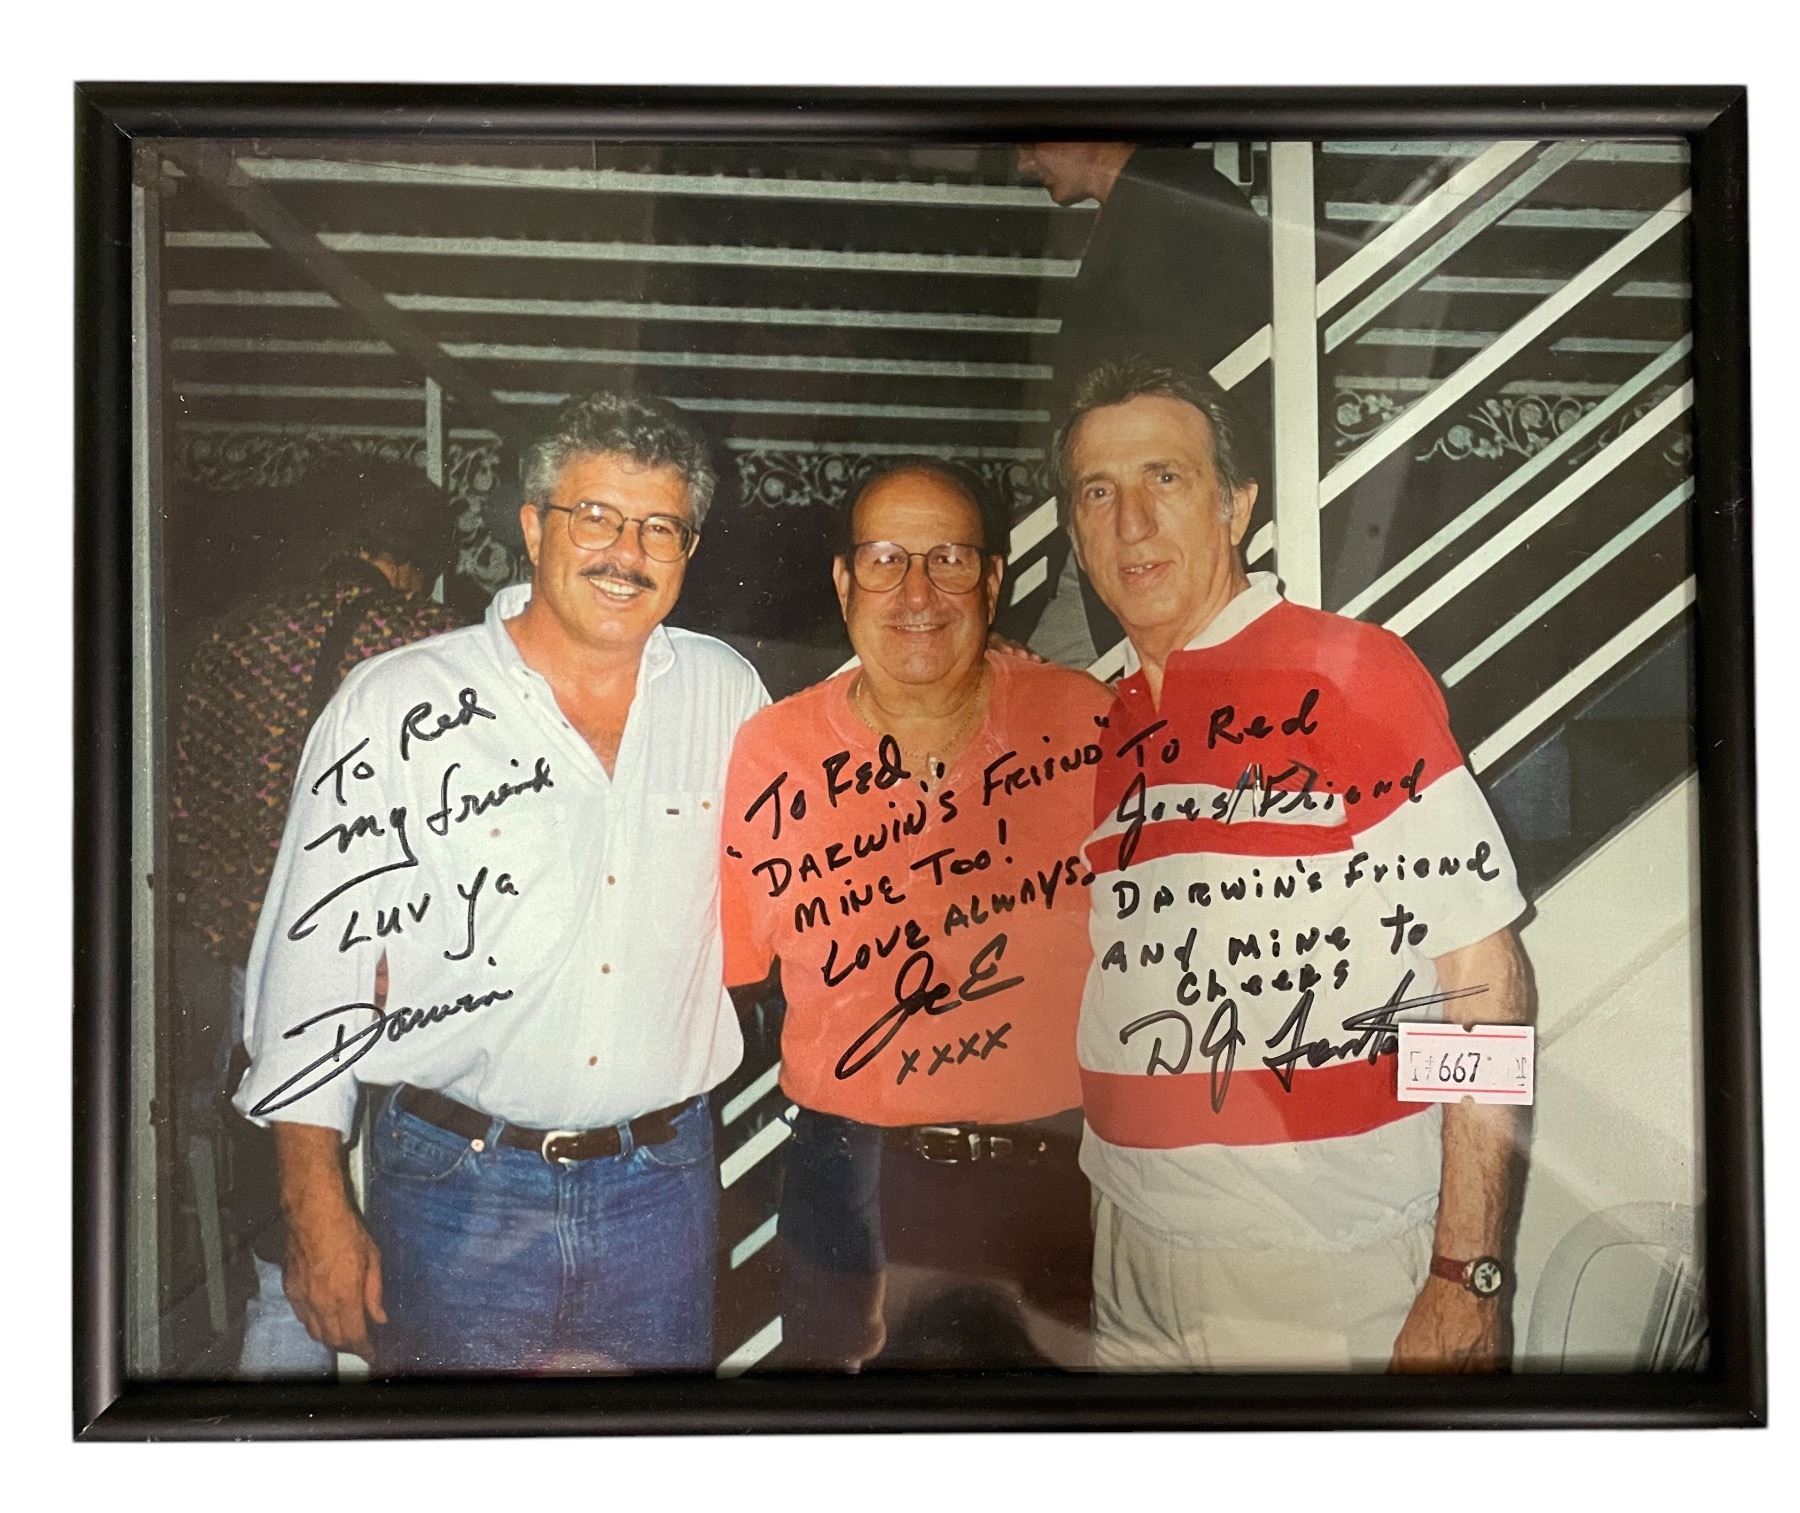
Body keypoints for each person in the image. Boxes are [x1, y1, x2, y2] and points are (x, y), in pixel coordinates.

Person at [233, 391, 767, 1374]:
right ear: (532, 526)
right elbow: (311, 978)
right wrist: (315, 1211)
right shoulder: (394, 704)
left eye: (660, 527)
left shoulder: (725, 691)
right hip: (455, 1193)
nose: (627, 552)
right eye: (595, 517)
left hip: (663, 1191)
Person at [1057, 355, 1533, 1372]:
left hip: (1320, 1266)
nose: (1130, 522)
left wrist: (1467, 1271)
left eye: (1165, 478)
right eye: (1098, 491)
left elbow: (1481, 977)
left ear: (1236, 505)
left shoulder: (1350, 670)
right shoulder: (1115, 719)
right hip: (1130, 1248)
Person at [720, 461, 1111, 1369]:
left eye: (949, 559)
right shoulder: (773, 749)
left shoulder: (1082, 722)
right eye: (886, 558)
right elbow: (736, 966)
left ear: (994, 580)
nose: (918, 592)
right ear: (843, 580)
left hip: (1053, 1169)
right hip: (848, 1179)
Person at [171, 457, 461, 1375]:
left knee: (289, 1256)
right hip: (384, 975)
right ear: (414, 561)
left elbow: (187, 801)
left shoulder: (236, 637)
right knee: (396, 1247)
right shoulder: (431, 641)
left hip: (253, 972)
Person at [1011, 142, 1272, 669]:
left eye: (1030, 141)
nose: (1023, 164)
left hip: (1149, 529)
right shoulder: (1154, 199)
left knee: (1044, 689)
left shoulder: (1175, 204)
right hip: (1117, 516)